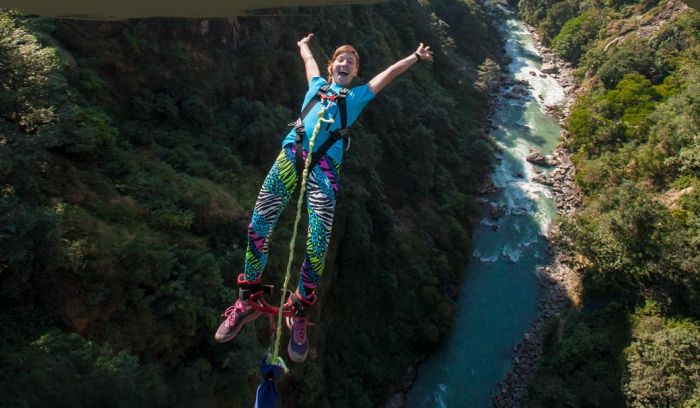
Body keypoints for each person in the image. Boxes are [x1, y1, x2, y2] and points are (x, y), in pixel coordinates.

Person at [215, 33, 434, 363]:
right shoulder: (316, 84)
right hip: (291, 154)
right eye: (341, 60)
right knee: (258, 224)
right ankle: (247, 299)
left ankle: (300, 308)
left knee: (318, 240)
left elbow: (388, 74)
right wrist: (303, 44)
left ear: (355, 72)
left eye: (352, 62)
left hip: (324, 168)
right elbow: (309, 62)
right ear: (333, 66)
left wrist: (415, 57)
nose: (346, 63)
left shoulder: (358, 96)